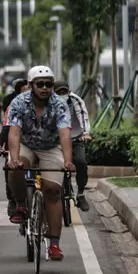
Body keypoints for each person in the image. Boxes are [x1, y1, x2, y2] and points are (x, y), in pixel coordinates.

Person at [6, 65, 75, 261]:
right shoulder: (19, 102)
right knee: (15, 167)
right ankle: (20, 204)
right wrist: (15, 158)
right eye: (40, 84)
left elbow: (64, 134)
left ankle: (54, 244)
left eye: (49, 84)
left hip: (50, 147)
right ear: (31, 85)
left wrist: (68, 161)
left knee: (53, 191)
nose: (45, 88)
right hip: (26, 144)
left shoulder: (59, 104)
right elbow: (14, 132)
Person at [0, 78, 29, 217]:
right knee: (11, 169)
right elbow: (7, 127)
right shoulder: (13, 104)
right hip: (15, 142)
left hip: (36, 145)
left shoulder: (49, 103)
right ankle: (14, 201)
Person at [54, 80, 91, 212]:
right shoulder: (50, 102)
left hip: (75, 138)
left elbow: (83, 117)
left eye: (65, 91)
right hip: (57, 140)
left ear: (69, 91)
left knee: (81, 162)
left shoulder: (76, 100)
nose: (63, 94)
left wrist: (86, 133)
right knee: (55, 165)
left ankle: (80, 193)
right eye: (59, 92)